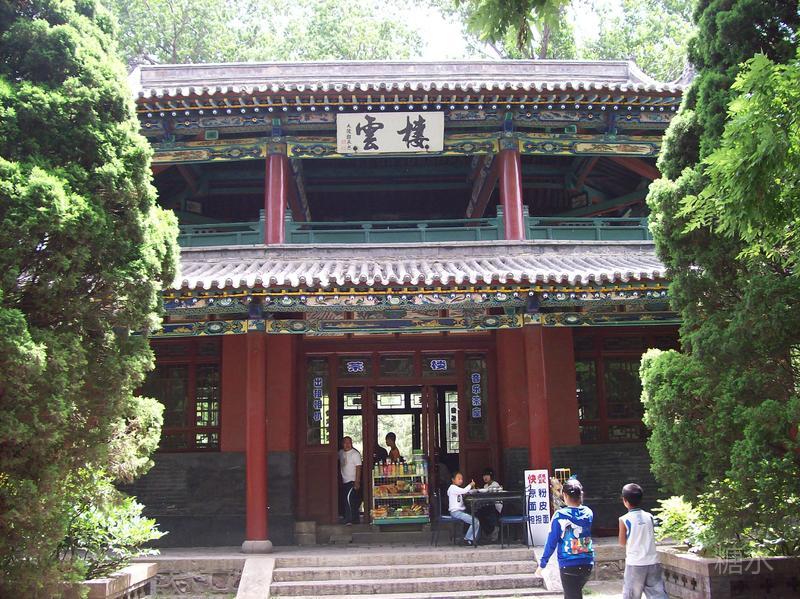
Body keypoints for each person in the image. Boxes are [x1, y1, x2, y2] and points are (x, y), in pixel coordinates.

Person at [538, 478, 594, 599]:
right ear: (581, 495)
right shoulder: (588, 513)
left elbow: (551, 542)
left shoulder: (560, 515)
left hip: (569, 564)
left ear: (565, 495)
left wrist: (543, 563)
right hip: (587, 562)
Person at [619, 483, 668, 599]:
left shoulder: (624, 519)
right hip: (652, 561)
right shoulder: (649, 516)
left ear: (625, 500)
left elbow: (622, 543)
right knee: (657, 594)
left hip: (635, 563)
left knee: (632, 595)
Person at [447, 471, 480, 545]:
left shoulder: (456, 488)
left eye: (461, 479)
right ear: (453, 479)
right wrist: (470, 484)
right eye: (458, 479)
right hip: (456, 513)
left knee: (475, 520)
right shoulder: (452, 488)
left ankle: (471, 539)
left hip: (459, 512)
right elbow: (464, 490)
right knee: (475, 521)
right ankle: (467, 539)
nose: (461, 480)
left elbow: (464, 492)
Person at [338, 436, 362, 525]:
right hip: (344, 481)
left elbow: (358, 468)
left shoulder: (355, 454)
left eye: (349, 443)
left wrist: (357, 481)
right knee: (351, 500)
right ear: (342, 444)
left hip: (352, 481)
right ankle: (356, 519)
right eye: (345, 443)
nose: (347, 445)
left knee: (348, 499)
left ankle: (349, 520)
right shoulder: (340, 453)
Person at [476, 467, 502, 542]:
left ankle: (495, 530)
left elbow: (490, 495)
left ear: (491, 476)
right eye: (484, 475)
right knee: (478, 512)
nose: (485, 477)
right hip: (488, 505)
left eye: (487, 475)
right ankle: (487, 533)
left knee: (487, 510)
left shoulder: (495, 484)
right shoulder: (485, 486)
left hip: (496, 507)